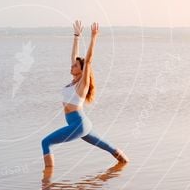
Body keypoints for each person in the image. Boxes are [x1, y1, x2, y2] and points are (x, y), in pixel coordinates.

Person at [41, 20, 129, 168]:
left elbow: (87, 62)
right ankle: (126, 164)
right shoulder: (73, 82)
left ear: (81, 70)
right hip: (80, 124)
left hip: (79, 125)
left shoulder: (83, 84)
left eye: (75, 66)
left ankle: (47, 182)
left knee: (46, 142)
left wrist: (93, 38)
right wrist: (76, 36)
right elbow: (75, 56)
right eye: (72, 64)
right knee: (110, 149)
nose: (72, 66)